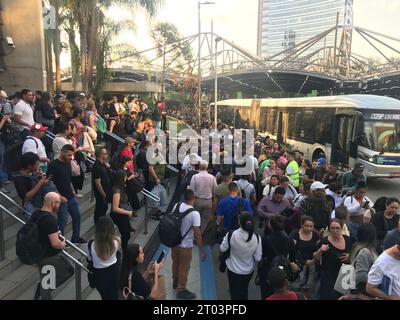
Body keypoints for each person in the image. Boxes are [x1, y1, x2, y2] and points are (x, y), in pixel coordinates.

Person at [33, 192, 74, 300]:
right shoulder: (50, 219)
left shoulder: (36, 214)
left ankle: (42, 288)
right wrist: (63, 243)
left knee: (49, 280)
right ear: (53, 203)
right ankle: (42, 289)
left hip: (40, 253)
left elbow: (43, 232)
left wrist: (55, 233)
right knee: (67, 271)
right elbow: (56, 244)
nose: (59, 205)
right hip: (47, 256)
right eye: (58, 203)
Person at [171, 189, 205, 300]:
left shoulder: (176, 205)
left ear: (184, 198)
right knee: (184, 267)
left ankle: (175, 281)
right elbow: (197, 234)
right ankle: (181, 290)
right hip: (186, 245)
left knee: (175, 263)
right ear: (193, 199)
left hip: (174, 242)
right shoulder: (195, 214)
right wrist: (201, 249)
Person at [47, 144, 85, 244]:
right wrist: (59, 197)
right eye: (68, 155)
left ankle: (75, 238)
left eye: (72, 155)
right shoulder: (53, 165)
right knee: (62, 222)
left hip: (71, 197)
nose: (70, 157)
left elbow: (68, 180)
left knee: (77, 217)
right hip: (60, 199)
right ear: (62, 152)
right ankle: (60, 241)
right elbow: (49, 183)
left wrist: (73, 192)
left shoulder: (68, 163)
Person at [220, 213, 262, 300]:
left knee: (234, 292)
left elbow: (222, 249)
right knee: (244, 289)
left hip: (233, 270)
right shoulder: (257, 238)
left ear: (239, 222)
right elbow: (258, 258)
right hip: (248, 271)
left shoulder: (231, 234)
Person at [313, 219, 353, 300]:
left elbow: (355, 254)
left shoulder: (348, 240)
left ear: (341, 229)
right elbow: (315, 258)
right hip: (329, 276)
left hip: (346, 274)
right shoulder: (324, 241)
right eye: (332, 228)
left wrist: (350, 256)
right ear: (329, 229)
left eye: (337, 228)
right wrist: (320, 250)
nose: (335, 230)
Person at [258, 215, 291, 299]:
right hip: (282, 267)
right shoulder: (288, 239)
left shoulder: (266, 239)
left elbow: (261, 255)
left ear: (270, 225)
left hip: (268, 267)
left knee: (266, 294)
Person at [87, 216, 121, 300]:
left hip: (99, 276)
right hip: (114, 273)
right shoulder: (116, 241)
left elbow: (89, 259)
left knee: (104, 296)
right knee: (114, 296)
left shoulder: (90, 244)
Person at [288, 216, 320, 299]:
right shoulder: (295, 234)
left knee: (308, 290)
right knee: (295, 290)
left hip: (311, 266)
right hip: (297, 266)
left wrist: (313, 261)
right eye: (306, 226)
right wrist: (291, 263)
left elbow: (318, 250)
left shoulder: (316, 235)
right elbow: (289, 251)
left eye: (311, 226)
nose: (309, 228)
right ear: (301, 225)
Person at [350, 223, 378, 295]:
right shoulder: (364, 251)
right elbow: (361, 276)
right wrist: (378, 278)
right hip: (363, 292)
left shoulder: (360, 247)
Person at [109, 170, 135, 251]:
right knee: (125, 234)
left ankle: (125, 248)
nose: (126, 178)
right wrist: (128, 212)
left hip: (122, 213)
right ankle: (124, 249)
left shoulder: (120, 188)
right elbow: (115, 208)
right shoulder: (117, 191)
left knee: (126, 233)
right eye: (124, 177)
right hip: (118, 215)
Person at [92, 147, 113, 225]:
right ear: (101, 155)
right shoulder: (96, 166)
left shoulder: (103, 164)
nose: (107, 155)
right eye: (105, 153)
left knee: (104, 208)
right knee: (100, 209)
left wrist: (108, 167)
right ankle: (98, 224)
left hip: (106, 192)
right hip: (101, 194)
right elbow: (98, 183)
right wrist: (104, 195)